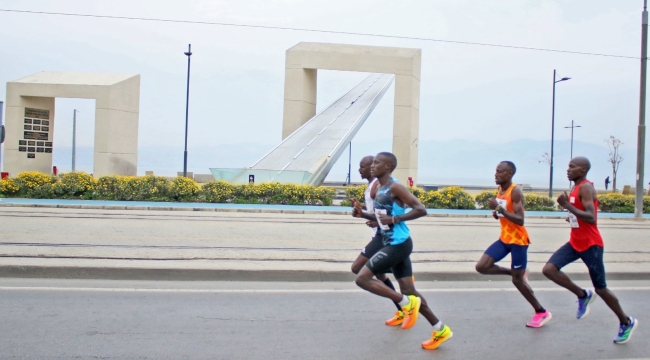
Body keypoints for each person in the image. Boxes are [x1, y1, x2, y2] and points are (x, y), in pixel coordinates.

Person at [352, 152, 453, 350]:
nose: (373, 165)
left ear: (388, 166)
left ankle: (404, 304)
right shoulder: (380, 187)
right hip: (389, 240)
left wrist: (396, 220)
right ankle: (440, 328)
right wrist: (362, 213)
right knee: (409, 290)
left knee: (362, 278)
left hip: (398, 243)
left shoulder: (395, 186)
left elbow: (421, 209)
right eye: (372, 163)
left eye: (377, 163)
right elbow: (383, 215)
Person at [543, 156, 638, 344]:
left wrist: (567, 206)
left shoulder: (586, 187)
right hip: (575, 243)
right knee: (549, 270)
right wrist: (571, 215)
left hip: (591, 245)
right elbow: (583, 213)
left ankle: (626, 322)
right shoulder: (576, 187)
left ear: (583, 170)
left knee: (601, 288)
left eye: (573, 167)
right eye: (568, 166)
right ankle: (582, 295)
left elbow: (591, 217)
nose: (568, 169)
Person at [475, 161, 551, 327]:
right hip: (505, 238)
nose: (495, 174)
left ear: (509, 174)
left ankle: (541, 311)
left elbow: (520, 220)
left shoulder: (515, 191)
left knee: (517, 282)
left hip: (518, 241)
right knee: (481, 267)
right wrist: (497, 213)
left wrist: (500, 209)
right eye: (496, 171)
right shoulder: (500, 190)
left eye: (500, 172)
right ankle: (516, 273)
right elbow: (505, 213)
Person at [349, 155, 404, 325]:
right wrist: (363, 210)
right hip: (380, 233)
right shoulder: (372, 186)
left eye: (363, 166)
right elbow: (378, 208)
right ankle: (403, 309)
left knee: (357, 268)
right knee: (380, 274)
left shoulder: (377, 186)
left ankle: (405, 304)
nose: (361, 169)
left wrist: (381, 221)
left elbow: (392, 208)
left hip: (384, 235)